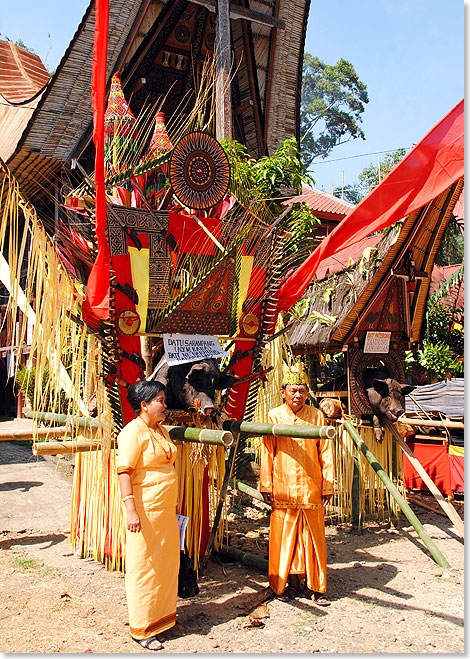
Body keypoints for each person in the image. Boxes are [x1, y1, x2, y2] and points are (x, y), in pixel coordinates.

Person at [259, 368, 334, 605]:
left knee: (313, 538)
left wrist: (328, 485)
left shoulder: (317, 416)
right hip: (283, 487)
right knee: (285, 537)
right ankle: (288, 585)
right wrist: (266, 484)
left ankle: (315, 586)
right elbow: (268, 451)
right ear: (283, 392)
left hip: (311, 487)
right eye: (293, 391)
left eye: (302, 391)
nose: (297, 395)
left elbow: (326, 453)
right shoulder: (274, 416)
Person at [117, 380, 179, 651]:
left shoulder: (160, 431)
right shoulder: (132, 432)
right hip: (143, 512)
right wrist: (130, 509)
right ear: (144, 405)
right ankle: (142, 627)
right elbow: (124, 472)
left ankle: (161, 620)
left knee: (165, 566)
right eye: (161, 401)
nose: (165, 406)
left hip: (164, 512)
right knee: (144, 568)